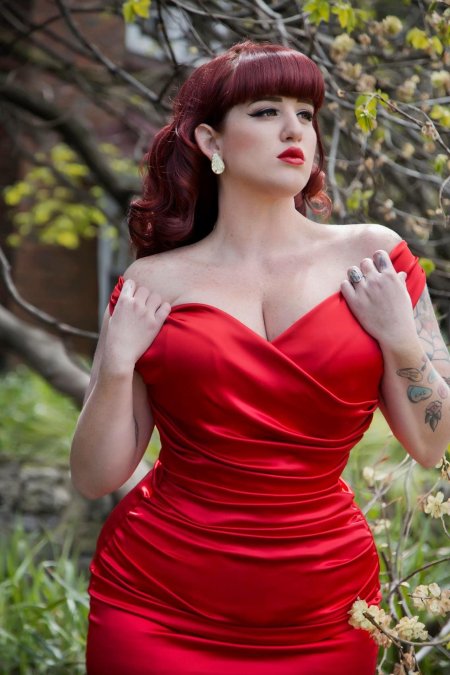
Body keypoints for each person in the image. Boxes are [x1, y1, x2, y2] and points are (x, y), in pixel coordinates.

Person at [70, 40, 450, 675]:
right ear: (211, 141)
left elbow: (433, 445)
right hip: (157, 599)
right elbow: (95, 476)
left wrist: (399, 337)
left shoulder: (375, 259)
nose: (294, 129)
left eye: (306, 114)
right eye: (267, 111)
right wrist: (114, 366)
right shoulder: (152, 284)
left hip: (326, 604)